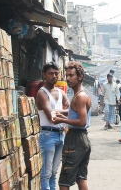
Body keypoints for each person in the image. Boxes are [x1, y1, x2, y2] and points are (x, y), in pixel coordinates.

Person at [52, 61, 91, 190]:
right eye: (67, 75)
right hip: (81, 138)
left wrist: (62, 121)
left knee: (64, 180)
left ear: (80, 77)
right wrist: (64, 117)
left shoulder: (80, 97)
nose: (68, 79)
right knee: (80, 177)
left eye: (71, 75)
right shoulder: (78, 95)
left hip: (76, 139)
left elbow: (82, 121)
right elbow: (76, 117)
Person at [36, 62, 69, 190]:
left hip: (61, 134)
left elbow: (73, 110)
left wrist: (57, 111)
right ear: (44, 75)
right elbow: (52, 117)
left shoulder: (60, 92)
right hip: (48, 134)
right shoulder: (42, 93)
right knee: (46, 173)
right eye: (50, 73)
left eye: (56, 73)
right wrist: (64, 112)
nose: (54, 76)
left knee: (54, 172)